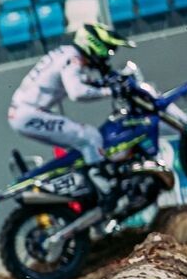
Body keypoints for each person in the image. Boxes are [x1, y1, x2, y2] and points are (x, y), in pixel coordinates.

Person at [7, 22, 131, 209]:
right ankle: (104, 192)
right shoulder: (73, 59)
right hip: (29, 114)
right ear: (94, 44)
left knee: (81, 146)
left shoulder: (66, 53)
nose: (108, 55)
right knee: (89, 136)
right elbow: (77, 92)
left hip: (25, 112)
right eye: (108, 49)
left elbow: (77, 81)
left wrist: (100, 83)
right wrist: (111, 91)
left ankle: (85, 184)